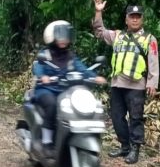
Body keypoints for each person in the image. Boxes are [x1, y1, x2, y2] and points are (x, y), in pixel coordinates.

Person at [92, 0, 159, 164]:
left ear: (142, 20)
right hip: (117, 84)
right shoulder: (118, 35)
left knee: (136, 117)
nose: (135, 20)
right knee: (116, 116)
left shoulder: (149, 39)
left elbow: (153, 61)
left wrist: (152, 83)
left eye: (138, 17)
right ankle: (124, 146)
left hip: (136, 85)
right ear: (126, 19)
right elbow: (99, 32)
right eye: (132, 17)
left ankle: (135, 148)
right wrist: (98, 12)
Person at [32, 20, 107, 155]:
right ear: (52, 36)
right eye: (60, 36)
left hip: (65, 90)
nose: (63, 39)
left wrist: (94, 77)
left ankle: (68, 138)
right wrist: (43, 76)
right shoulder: (45, 54)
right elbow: (38, 67)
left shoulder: (70, 56)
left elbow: (82, 69)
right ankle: (47, 142)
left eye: (66, 36)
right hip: (46, 90)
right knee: (52, 105)